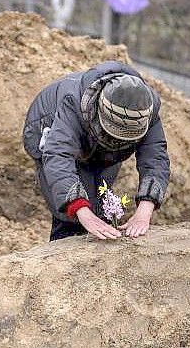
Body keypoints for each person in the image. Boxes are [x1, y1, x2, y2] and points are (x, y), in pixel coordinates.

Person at [23, 61, 170, 241]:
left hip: (102, 151)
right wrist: (80, 209)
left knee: (101, 202)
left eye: (125, 138)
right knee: (73, 217)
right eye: (115, 136)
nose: (118, 140)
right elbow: (58, 155)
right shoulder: (73, 102)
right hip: (48, 130)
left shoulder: (146, 109)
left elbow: (155, 158)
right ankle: (63, 250)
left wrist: (144, 211)